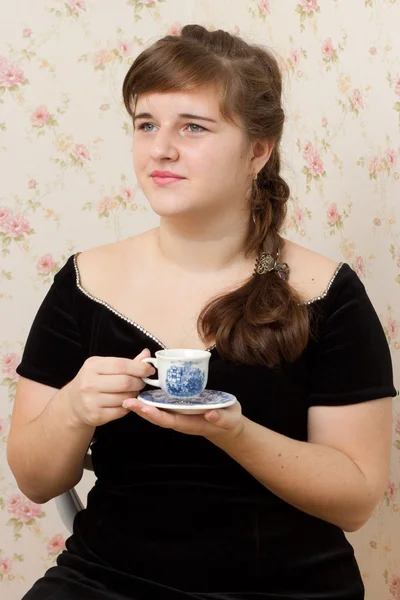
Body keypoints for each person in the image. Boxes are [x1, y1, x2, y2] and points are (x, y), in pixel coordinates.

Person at [7, 24, 396, 600]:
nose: (160, 148)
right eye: (146, 124)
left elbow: (356, 499)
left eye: (193, 126)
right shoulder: (84, 283)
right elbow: (37, 483)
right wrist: (71, 408)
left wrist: (233, 432)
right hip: (107, 581)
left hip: (288, 590)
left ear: (257, 152)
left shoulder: (326, 293)